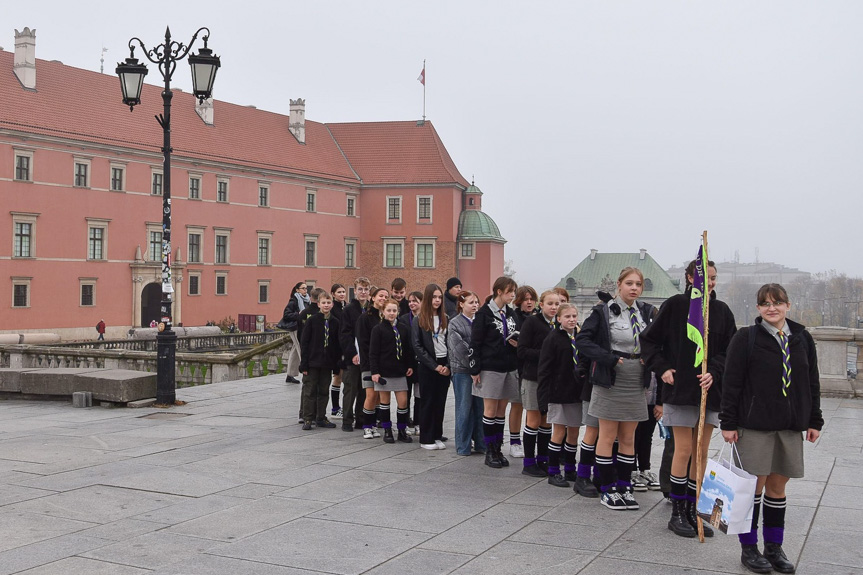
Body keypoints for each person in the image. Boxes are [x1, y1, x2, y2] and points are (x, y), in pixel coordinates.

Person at [720, 283, 822, 574]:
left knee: (778, 488)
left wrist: (814, 420)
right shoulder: (746, 338)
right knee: (753, 488)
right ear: (758, 309)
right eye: (765, 303)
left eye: (777, 303)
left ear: (788, 305)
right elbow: (732, 383)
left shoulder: (802, 338)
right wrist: (728, 423)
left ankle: (774, 547)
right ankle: (749, 549)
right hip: (755, 426)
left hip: (789, 426)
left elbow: (811, 382)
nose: (771, 308)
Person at [641, 258, 737, 538]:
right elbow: (648, 341)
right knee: (683, 449)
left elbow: (729, 350)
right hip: (680, 389)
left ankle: (696, 510)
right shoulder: (674, 306)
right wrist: (662, 369)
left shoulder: (721, 311)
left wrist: (715, 372)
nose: (711, 282)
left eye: (715, 278)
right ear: (690, 278)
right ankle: (677, 511)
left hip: (709, 392)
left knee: (702, 452)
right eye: (706, 277)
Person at [576, 267, 657, 510]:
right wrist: (607, 358)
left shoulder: (645, 312)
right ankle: (607, 487)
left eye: (638, 284)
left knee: (628, 437)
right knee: (608, 434)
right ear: (619, 285)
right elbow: (583, 340)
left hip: (635, 378)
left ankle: (624, 486)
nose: (634, 288)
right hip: (611, 377)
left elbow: (654, 341)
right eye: (629, 283)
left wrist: (650, 358)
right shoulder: (603, 311)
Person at [471, 276, 520, 468]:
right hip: (490, 367)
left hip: (509, 365)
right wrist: (475, 368)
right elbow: (475, 342)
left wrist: (518, 342)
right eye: (510, 292)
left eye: (513, 292)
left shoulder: (511, 313)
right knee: (490, 411)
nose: (512, 296)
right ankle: (489, 449)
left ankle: (498, 448)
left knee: (501, 410)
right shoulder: (484, 314)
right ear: (499, 291)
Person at [537, 303, 586, 487]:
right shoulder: (553, 339)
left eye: (574, 316)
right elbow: (544, 369)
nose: (572, 319)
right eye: (567, 317)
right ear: (559, 319)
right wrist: (543, 397)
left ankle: (571, 468)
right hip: (557, 392)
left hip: (575, 392)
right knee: (558, 432)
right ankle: (553, 470)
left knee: (573, 432)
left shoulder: (579, 337)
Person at [516, 290, 560, 477]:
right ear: (541, 305)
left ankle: (543, 458)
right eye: (550, 303)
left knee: (546, 421)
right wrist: (546, 355)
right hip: (533, 378)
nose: (553, 307)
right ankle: (529, 462)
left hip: (552, 380)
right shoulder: (532, 322)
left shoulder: (559, 324)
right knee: (533, 420)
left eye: (557, 304)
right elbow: (522, 350)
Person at [411, 283, 451, 450]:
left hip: (444, 365)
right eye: (434, 297)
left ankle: (437, 435)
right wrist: (434, 366)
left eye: (439, 297)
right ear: (428, 298)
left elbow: (450, 343)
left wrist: (447, 365)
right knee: (427, 401)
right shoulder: (418, 319)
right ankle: (426, 438)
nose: (437, 300)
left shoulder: (445, 318)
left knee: (440, 402)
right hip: (428, 366)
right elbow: (417, 346)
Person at [370, 299, 415, 443]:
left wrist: (410, 365)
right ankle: (387, 430)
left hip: (400, 371)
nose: (391, 313)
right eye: (388, 310)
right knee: (385, 402)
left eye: (394, 311)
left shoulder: (403, 328)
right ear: (383, 312)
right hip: (384, 371)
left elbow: (408, 349)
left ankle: (402, 429)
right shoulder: (378, 329)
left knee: (403, 402)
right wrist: (375, 372)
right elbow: (373, 352)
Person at [448, 291, 486, 456]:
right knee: (464, 408)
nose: (475, 305)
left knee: (481, 409)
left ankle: (481, 444)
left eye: (477, 302)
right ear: (461, 304)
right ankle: (463, 446)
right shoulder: (454, 323)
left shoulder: (481, 321)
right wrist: (473, 367)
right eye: (471, 302)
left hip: (480, 371)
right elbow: (459, 349)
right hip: (463, 372)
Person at [299, 291, 341, 430]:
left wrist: (336, 364)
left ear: (332, 304)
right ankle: (308, 418)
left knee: (324, 390)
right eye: (324, 303)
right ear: (318, 304)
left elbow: (336, 345)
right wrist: (304, 363)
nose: (326, 305)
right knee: (310, 390)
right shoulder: (312, 320)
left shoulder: (335, 322)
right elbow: (304, 342)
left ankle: (321, 417)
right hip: (312, 362)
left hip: (327, 363)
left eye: (329, 303)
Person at [508, 285, 538, 458]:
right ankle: (514, 441)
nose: (529, 302)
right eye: (526, 299)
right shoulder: (514, 317)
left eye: (531, 299)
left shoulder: (537, 317)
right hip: (518, 366)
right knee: (517, 404)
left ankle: (530, 440)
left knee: (533, 408)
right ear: (518, 301)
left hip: (534, 367)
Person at [339, 277, 371, 432]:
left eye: (365, 289)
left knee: (364, 389)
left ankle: (361, 418)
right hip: (353, 356)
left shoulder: (372, 309)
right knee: (350, 389)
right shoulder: (349, 310)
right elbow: (345, 334)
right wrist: (352, 353)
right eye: (360, 289)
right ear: (355, 290)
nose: (363, 292)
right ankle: (347, 419)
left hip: (367, 356)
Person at [357, 286, 389, 439]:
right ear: (373, 298)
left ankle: (374, 423)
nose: (383, 298)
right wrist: (370, 362)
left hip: (383, 363)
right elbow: (363, 343)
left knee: (378, 396)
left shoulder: (386, 316)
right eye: (380, 296)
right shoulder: (365, 317)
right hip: (369, 362)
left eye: (385, 296)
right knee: (371, 394)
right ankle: (366, 425)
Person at [400, 290, 423, 436]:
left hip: (421, 362)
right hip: (407, 361)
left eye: (415, 301)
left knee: (420, 395)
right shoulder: (403, 319)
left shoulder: (425, 318)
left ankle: (419, 422)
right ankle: (406, 421)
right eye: (410, 301)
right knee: (406, 394)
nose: (412, 304)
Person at [282, 281, 309, 383]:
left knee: (295, 350)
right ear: (297, 290)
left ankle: (290, 374)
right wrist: (299, 314)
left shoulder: (306, 300)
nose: (305, 290)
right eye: (303, 288)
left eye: (306, 288)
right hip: (296, 328)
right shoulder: (294, 301)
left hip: (303, 327)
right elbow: (286, 314)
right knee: (301, 348)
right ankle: (307, 371)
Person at [329, 283, 348, 420]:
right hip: (337, 347)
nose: (342, 294)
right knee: (337, 377)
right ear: (333, 294)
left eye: (343, 291)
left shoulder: (345, 307)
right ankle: (335, 408)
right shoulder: (333, 308)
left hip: (346, 346)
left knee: (343, 378)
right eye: (339, 292)